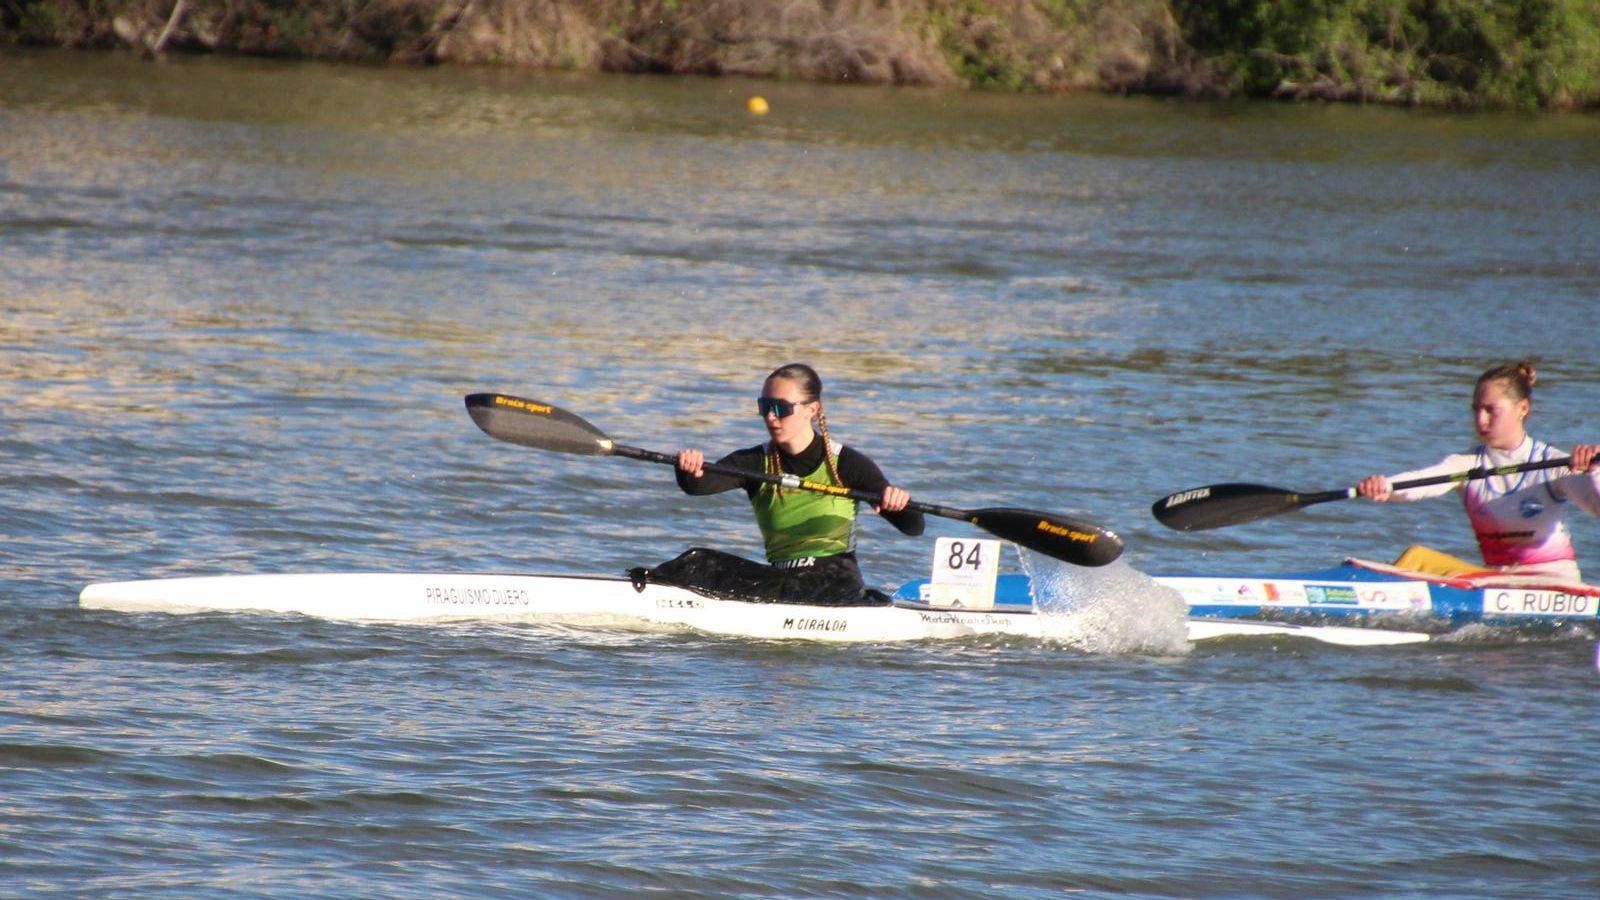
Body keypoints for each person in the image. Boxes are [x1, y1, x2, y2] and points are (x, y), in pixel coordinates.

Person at [632, 363, 924, 605]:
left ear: (812, 409)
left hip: (835, 581)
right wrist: (689, 468)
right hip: (782, 578)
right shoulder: (756, 461)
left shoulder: (846, 463)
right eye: (765, 406)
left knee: (793, 586)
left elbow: (914, 526)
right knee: (698, 561)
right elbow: (698, 486)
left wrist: (897, 501)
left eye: (781, 408)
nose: (771, 417)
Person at [1356, 361, 1600, 583]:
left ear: (1522, 408)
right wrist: (1386, 487)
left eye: (1491, 410)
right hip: (1496, 580)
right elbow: (1424, 481)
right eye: (1476, 410)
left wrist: (1594, 472)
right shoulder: (1467, 464)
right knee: (1415, 557)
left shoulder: (1556, 464)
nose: (1481, 420)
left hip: (1554, 582)